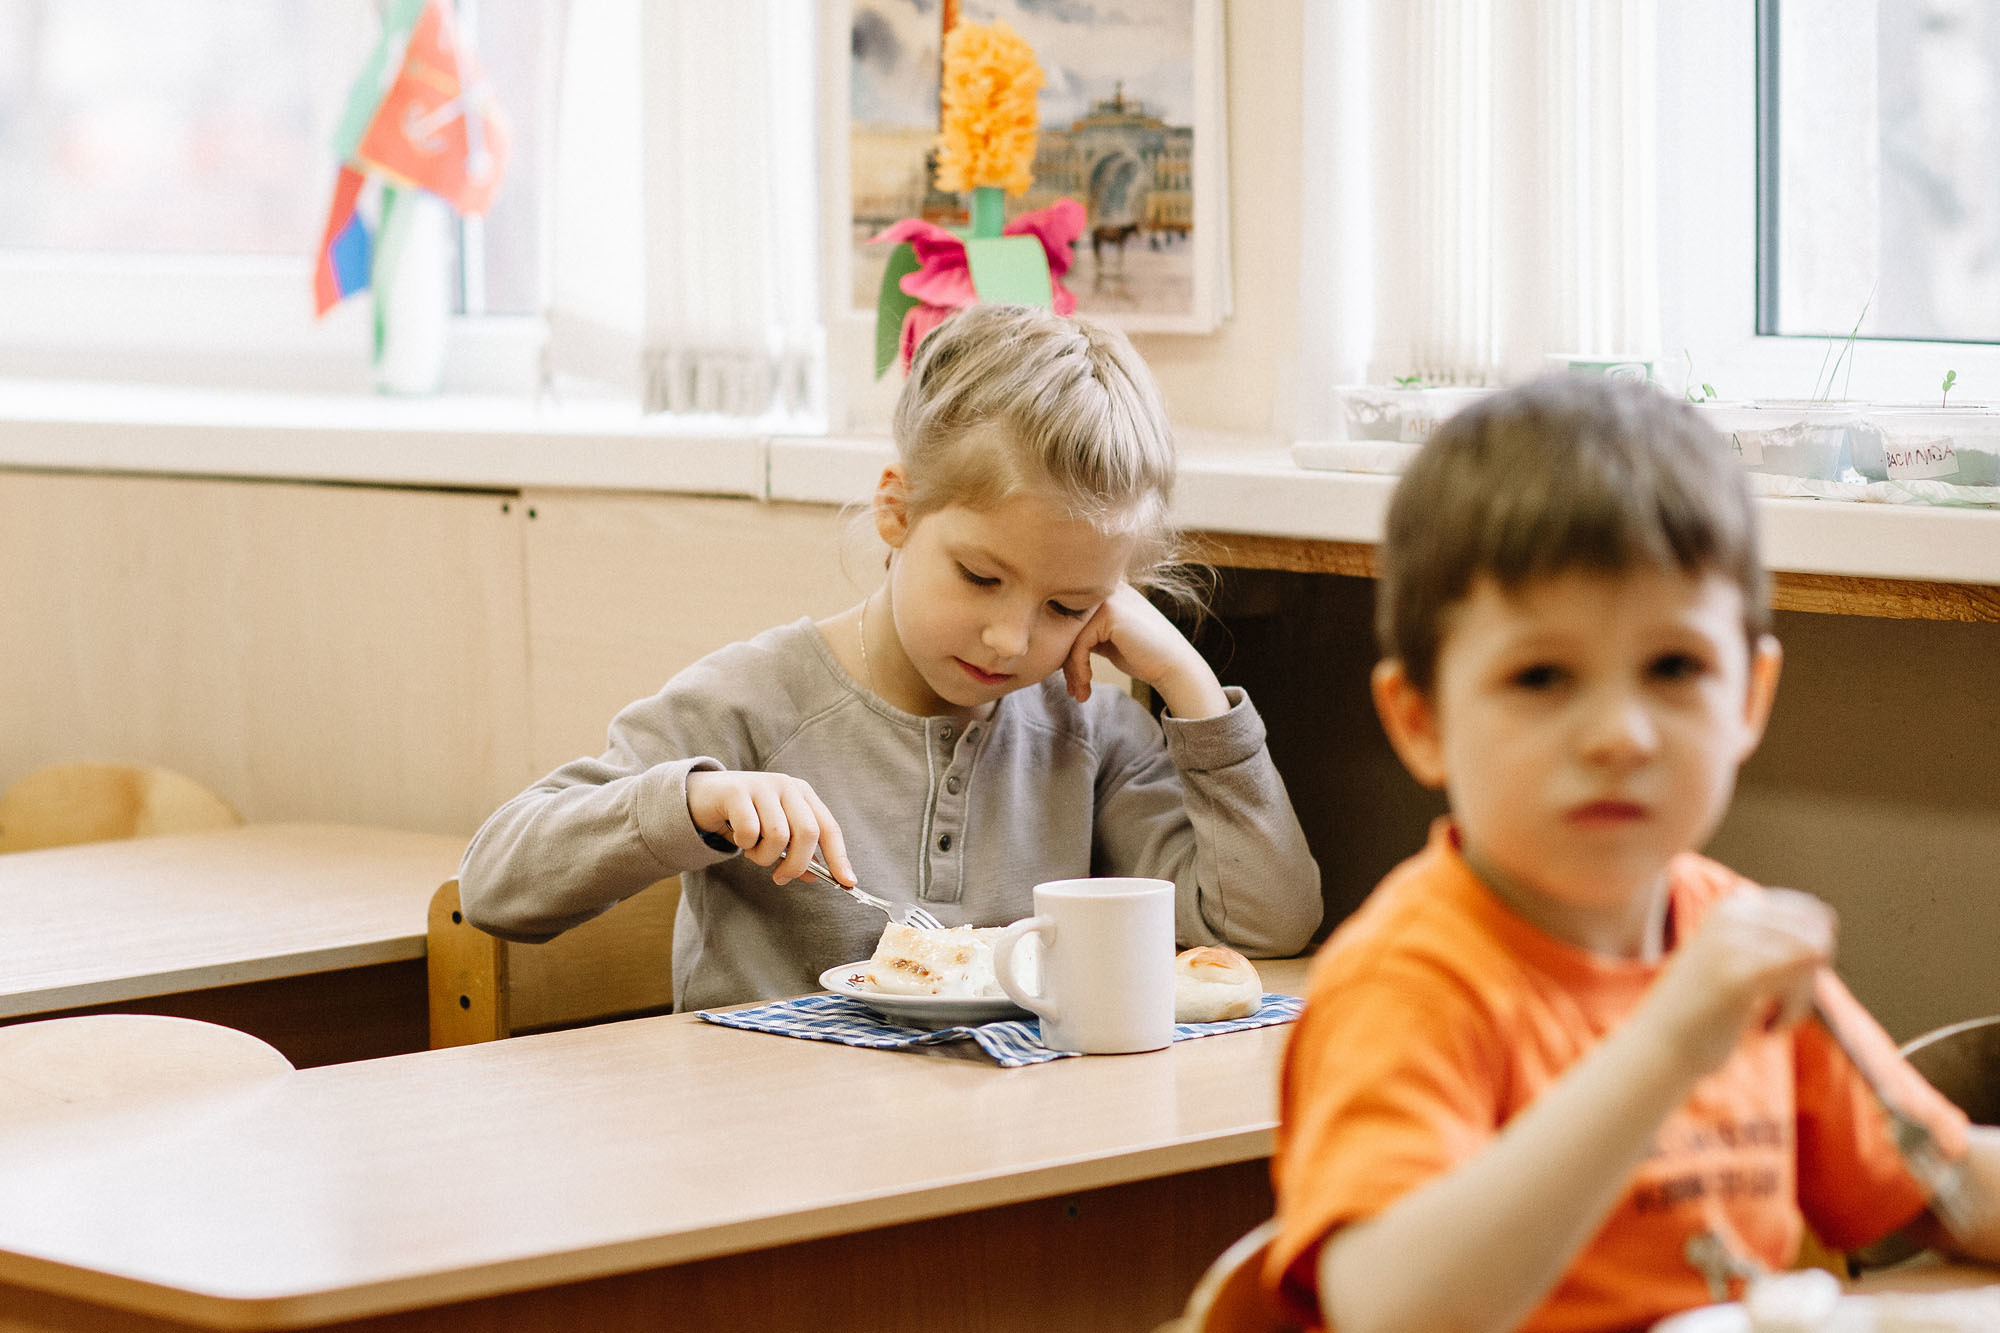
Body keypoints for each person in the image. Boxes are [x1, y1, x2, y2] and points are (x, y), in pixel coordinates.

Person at [1264, 374, 2000, 1333]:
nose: (1620, 734)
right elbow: (1389, 1308)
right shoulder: (1408, 984)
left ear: (1747, 699)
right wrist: (1666, 1046)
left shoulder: (1729, 939)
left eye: (1673, 668)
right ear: (1421, 720)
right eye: (1540, 676)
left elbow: (1951, 1184)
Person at [458, 303, 1322, 1011]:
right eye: (981, 576)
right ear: (897, 512)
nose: (1010, 639)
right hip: (772, 1159)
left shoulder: (1086, 725)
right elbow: (496, 882)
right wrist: (696, 798)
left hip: (995, 1158)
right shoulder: (754, 701)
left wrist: (1189, 684)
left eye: (1067, 606)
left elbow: (1266, 923)